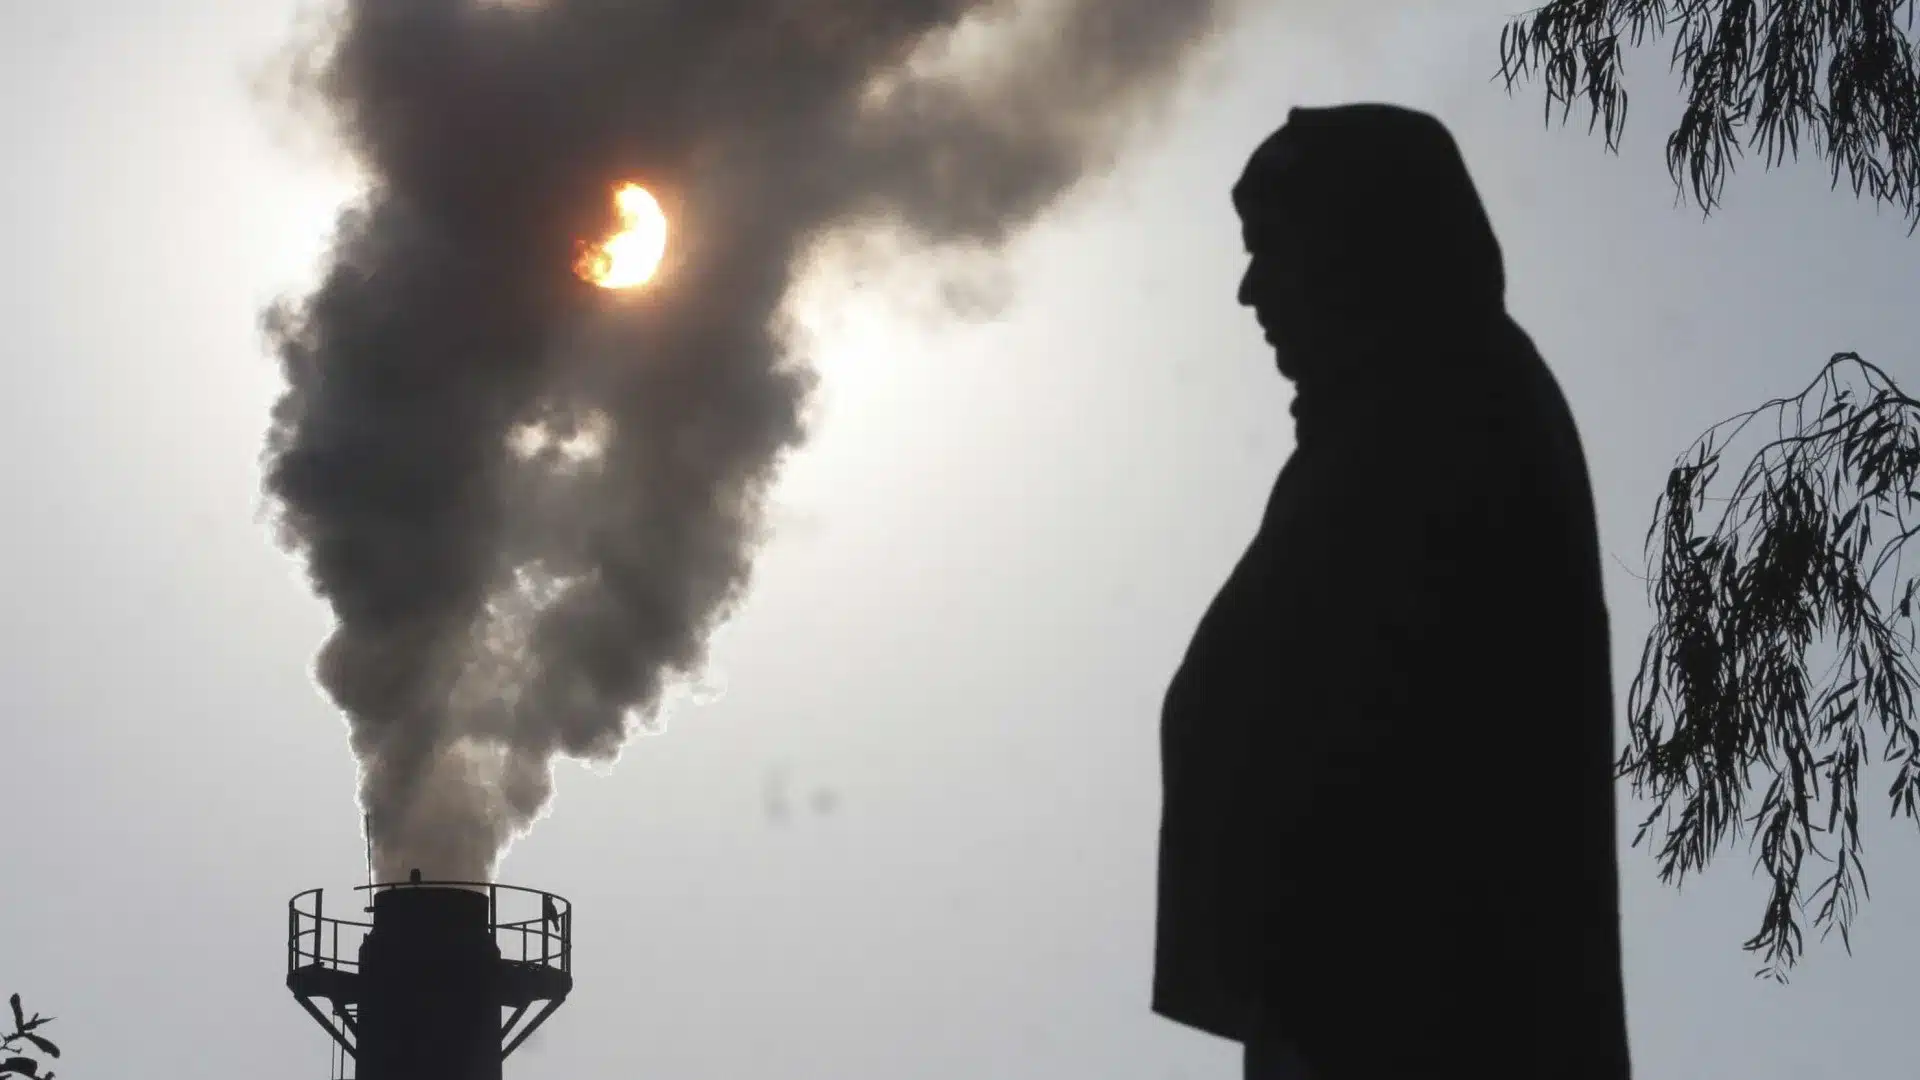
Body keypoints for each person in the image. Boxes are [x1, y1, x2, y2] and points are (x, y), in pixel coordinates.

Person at [1152, 103, 1632, 1079]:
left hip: (1420, 1022)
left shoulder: (1450, 412)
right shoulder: (1393, 423)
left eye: (1270, 248)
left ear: (1355, 244)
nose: (1249, 290)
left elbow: (1385, 740)